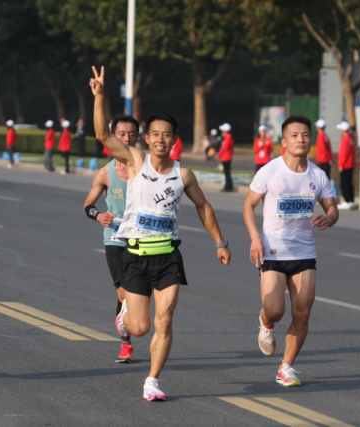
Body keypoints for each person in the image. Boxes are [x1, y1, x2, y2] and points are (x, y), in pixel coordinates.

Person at [89, 66, 231, 401]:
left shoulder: (184, 174)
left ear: (174, 138)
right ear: (147, 138)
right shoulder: (136, 160)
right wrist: (99, 97)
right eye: (155, 134)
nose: (160, 139)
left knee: (165, 320)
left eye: (167, 134)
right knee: (141, 328)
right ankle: (126, 315)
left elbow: (204, 208)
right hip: (135, 256)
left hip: (167, 255)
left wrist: (220, 243)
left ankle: (152, 380)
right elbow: (102, 136)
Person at [243, 115, 339, 388]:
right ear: (284, 141)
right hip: (272, 252)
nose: (301, 139)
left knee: (303, 313)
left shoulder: (319, 175)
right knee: (275, 310)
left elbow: (333, 209)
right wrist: (255, 238)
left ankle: (286, 367)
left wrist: (328, 218)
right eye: (295, 135)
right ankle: (265, 321)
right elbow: (248, 205)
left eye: (305, 135)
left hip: (304, 253)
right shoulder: (269, 171)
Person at [83, 114, 140, 363]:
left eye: (131, 134)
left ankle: (128, 323)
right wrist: (99, 217)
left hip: (143, 238)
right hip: (115, 238)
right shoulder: (106, 173)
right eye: (122, 134)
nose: (126, 138)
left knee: (140, 294)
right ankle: (125, 343)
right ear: (114, 136)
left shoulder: (146, 169)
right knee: (123, 293)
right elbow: (88, 205)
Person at [336, 121, 355, 209]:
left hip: (345, 165)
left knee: (344, 184)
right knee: (349, 183)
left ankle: (347, 201)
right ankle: (351, 200)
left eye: (340, 129)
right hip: (351, 164)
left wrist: (341, 164)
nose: (340, 130)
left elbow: (344, 153)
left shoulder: (345, 139)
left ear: (343, 130)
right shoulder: (351, 138)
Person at [217, 123, 234, 192]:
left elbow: (225, 148)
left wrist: (219, 154)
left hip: (226, 157)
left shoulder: (228, 137)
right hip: (225, 157)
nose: (222, 131)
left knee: (227, 172)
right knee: (226, 172)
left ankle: (228, 187)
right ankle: (228, 186)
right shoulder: (226, 137)